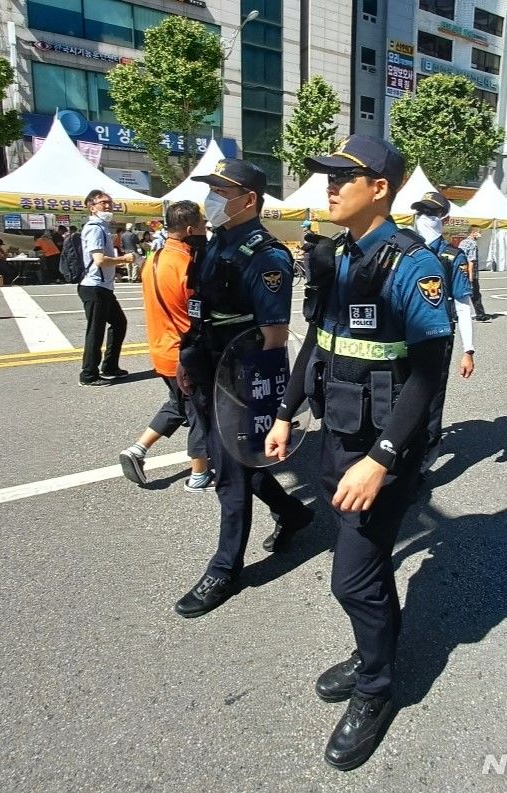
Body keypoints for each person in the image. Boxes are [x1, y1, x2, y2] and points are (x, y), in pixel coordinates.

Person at [265, 135, 453, 770]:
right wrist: (286, 412)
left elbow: (430, 373)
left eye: (344, 177)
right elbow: (317, 343)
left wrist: (383, 458)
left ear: (381, 188)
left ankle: (377, 688)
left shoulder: (413, 266)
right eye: (327, 177)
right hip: (338, 433)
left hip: (383, 450)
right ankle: (373, 652)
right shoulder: (337, 257)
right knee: (366, 573)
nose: (330, 186)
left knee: (352, 577)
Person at [173, 158, 314, 618]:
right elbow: (201, 312)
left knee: (229, 480)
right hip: (207, 367)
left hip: (239, 381)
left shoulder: (266, 255)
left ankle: (225, 569)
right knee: (229, 462)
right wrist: (187, 360)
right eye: (210, 189)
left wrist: (266, 404)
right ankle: (293, 513)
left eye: (221, 191)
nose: (211, 198)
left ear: (248, 200)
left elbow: (274, 338)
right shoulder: (216, 244)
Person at [120, 201, 213, 491]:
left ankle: (138, 449)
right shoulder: (187, 265)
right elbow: (196, 309)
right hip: (182, 351)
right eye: (201, 225)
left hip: (160, 348)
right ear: (189, 229)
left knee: (178, 403)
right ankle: (199, 475)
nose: (204, 230)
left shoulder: (155, 258)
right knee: (199, 411)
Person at [411, 191, 475, 475]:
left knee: (431, 398)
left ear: (444, 219)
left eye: (432, 214)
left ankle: (423, 463)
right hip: (405, 335)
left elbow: (463, 304)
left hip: (438, 337)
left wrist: (468, 350)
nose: (425, 219)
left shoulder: (452, 256)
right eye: (421, 212)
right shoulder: (406, 250)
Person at [77, 190, 134, 387]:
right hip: (94, 287)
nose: (108, 206)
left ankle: (109, 367)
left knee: (119, 323)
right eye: (103, 203)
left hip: (103, 287)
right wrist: (124, 260)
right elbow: (99, 260)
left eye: (110, 202)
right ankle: (88, 374)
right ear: (92, 207)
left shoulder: (102, 227)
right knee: (96, 331)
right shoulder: (94, 228)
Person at [458, 226, 489, 321]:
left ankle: (455, 314)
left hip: (461, 271)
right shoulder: (472, 244)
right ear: (473, 233)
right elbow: (471, 261)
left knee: (459, 294)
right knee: (476, 295)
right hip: (471, 273)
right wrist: (471, 277)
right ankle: (480, 314)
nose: (480, 235)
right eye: (479, 232)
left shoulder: (463, 242)